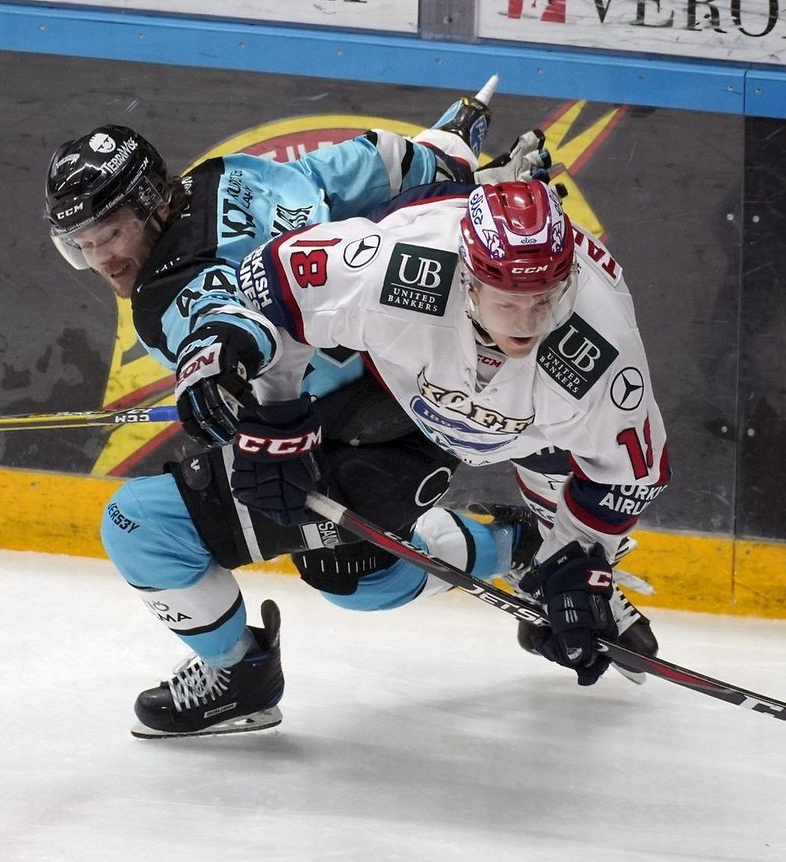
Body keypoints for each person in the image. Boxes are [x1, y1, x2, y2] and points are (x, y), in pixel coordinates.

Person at [45, 91, 562, 738]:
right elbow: (363, 167)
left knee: (135, 525)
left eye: (110, 234)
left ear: (151, 202)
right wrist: (451, 155)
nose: (101, 261)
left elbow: (219, 313)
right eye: (81, 246)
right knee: (357, 575)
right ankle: (528, 546)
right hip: (403, 412)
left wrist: (214, 361)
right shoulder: (229, 176)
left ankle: (238, 678)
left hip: (341, 423)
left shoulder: (166, 290)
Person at [189, 177, 668, 693]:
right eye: (508, 303)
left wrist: (579, 560)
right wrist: (277, 418)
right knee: (345, 569)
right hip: (403, 381)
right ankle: (524, 549)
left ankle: (548, 557)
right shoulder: (397, 272)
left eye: (544, 302)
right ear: (469, 280)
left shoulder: (600, 356)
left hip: (535, 427)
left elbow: (632, 474)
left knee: (569, 533)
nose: (527, 324)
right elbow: (272, 281)